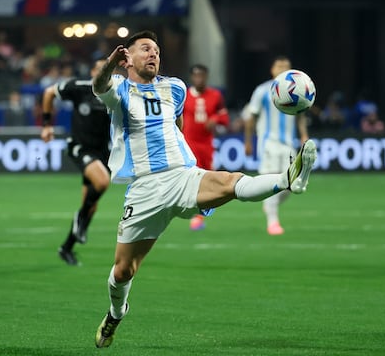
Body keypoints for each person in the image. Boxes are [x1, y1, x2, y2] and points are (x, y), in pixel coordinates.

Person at [91, 31, 316, 348]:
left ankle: (288, 178)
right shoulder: (119, 89)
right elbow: (98, 86)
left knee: (230, 181)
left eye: (156, 50)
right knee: (124, 269)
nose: (154, 54)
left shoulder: (175, 88)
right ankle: (116, 312)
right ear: (127, 57)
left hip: (183, 176)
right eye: (145, 49)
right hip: (145, 189)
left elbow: (177, 123)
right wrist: (109, 65)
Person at [40, 59, 112, 266]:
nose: (103, 72)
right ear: (92, 71)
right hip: (80, 147)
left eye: (107, 69)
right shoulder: (80, 87)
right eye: (99, 68)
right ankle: (79, 220)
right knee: (102, 183)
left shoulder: (114, 92)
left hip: (102, 152)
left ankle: (66, 248)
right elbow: (48, 93)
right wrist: (47, 125)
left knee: (92, 206)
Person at [244, 56, 310, 236]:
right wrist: (248, 141)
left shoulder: (297, 90)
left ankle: (269, 205)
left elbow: (300, 115)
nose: (282, 69)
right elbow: (251, 117)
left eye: (286, 66)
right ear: (272, 70)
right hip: (268, 144)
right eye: (279, 66)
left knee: (291, 184)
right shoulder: (262, 91)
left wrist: (304, 134)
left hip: (289, 143)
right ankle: (273, 221)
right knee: (272, 181)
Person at [182, 63, 229, 230]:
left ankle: (201, 212)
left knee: (207, 178)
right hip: (188, 144)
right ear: (191, 77)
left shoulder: (215, 95)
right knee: (191, 179)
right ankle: (194, 213)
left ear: (206, 77)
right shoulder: (184, 94)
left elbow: (224, 117)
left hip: (207, 145)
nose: (199, 79)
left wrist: (215, 119)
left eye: (202, 75)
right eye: (196, 75)